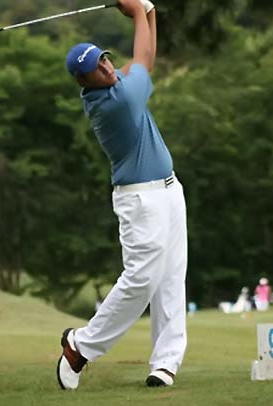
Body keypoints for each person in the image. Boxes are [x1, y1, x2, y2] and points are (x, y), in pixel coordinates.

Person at [56, 0, 188, 390]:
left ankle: (165, 363)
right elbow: (144, 55)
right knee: (141, 280)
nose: (107, 67)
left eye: (105, 60)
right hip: (140, 201)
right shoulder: (116, 103)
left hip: (169, 190)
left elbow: (142, 57)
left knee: (170, 279)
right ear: (84, 82)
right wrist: (138, 11)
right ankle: (80, 345)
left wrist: (148, 12)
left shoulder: (116, 84)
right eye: (96, 68)